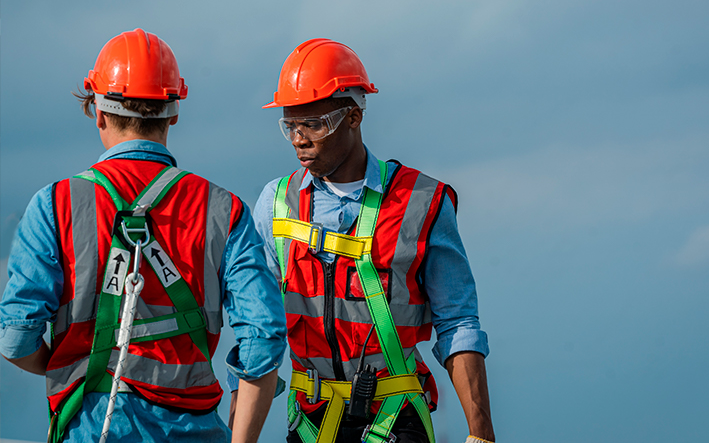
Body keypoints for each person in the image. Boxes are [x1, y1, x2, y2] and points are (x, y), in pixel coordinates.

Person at [0, 29, 287, 443]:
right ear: (173, 113)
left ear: (97, 112)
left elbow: (16, 337)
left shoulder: (55, 205)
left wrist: (76, 370)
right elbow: (263, 339)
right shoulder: (224, 210)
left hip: (91, 427)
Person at [231, 38, 495, 443]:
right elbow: (256, 328)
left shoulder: (422, 202)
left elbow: (457, 322)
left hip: (396, 420)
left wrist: (482, 435)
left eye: (314, 124)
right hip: (310, 423)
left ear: (353, 117)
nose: (300, 138)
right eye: (290, 125)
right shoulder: (276, 204)